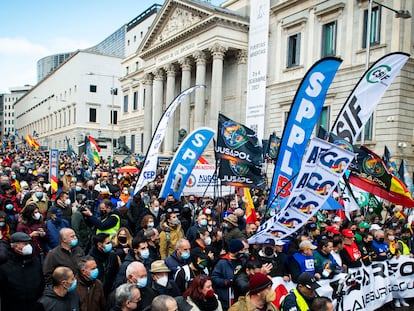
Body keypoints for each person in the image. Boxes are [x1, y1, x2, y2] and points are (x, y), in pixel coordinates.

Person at [0, 232, 44, 311]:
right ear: (15, 246)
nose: (28, 246)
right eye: (25, 244)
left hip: (35, 306)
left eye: (29, 243)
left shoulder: (35, 261)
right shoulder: (5, 265)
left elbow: (42, 282)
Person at [211, 239, 247, 310]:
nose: (243, 252)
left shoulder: (243, 260)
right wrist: (226, 282)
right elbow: (214, 277)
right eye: (241, 250)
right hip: (226, 297)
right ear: (236, 251)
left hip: (240, 296)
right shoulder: (222, 262)